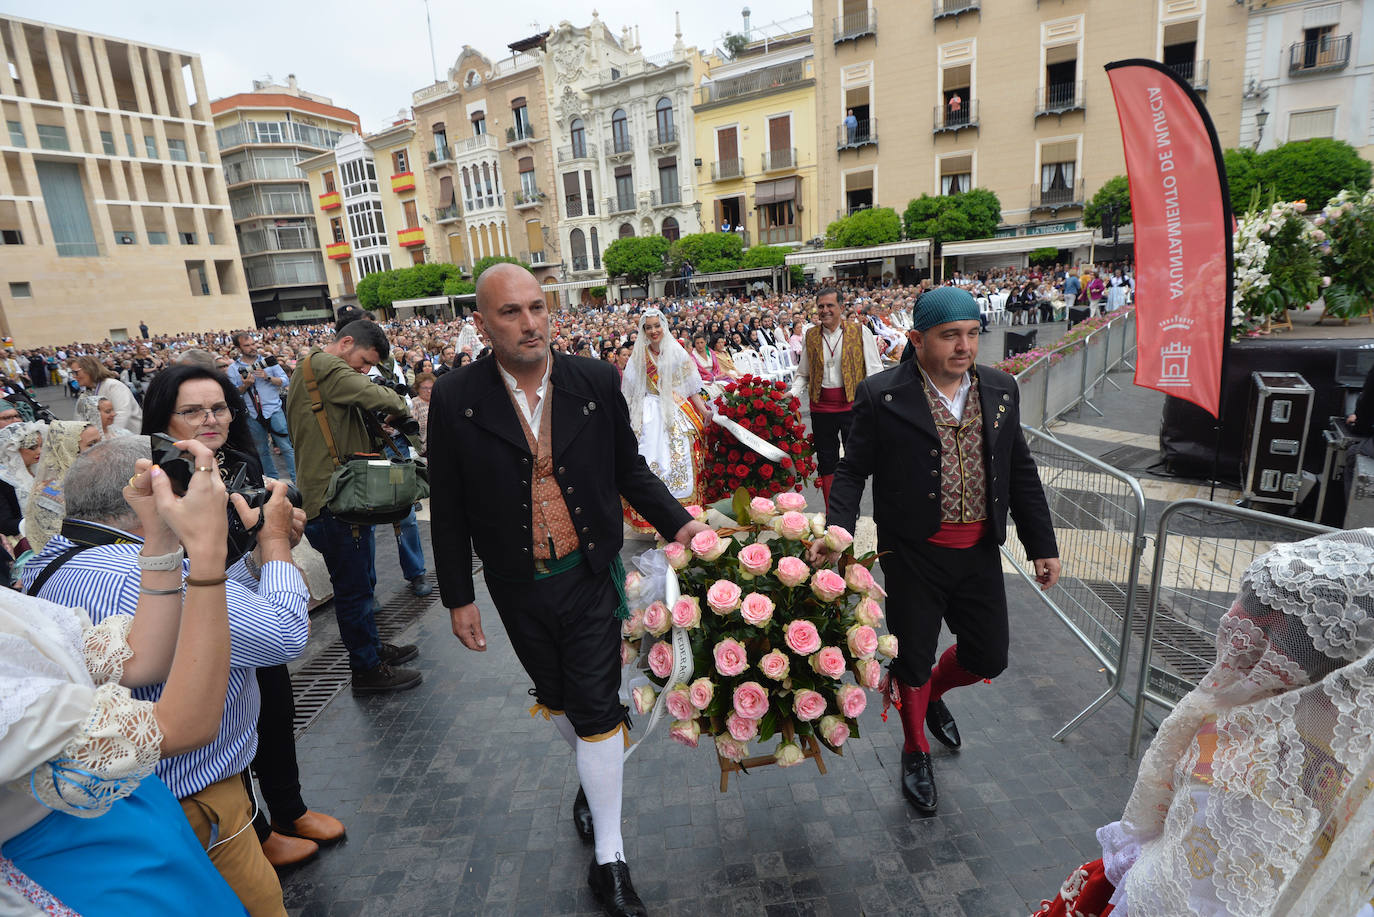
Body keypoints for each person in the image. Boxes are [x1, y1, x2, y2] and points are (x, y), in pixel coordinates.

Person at [427, 263, 710, 917]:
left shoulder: (592, 380)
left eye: (537, 307)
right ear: (481, 323)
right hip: (515, 583)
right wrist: (455, 596)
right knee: (557, 698)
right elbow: (448, 503)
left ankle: (611, 858)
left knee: (591, 698)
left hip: (588, 574)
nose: (530, 322)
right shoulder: (455, 397)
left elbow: (627, 469)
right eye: (510, 312)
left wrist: (683, 523)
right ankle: (594, 769)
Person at [23, 437, 306, 916]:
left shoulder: (59, 554)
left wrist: (237, 556)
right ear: (154, 495)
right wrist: (273, 543)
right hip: (196, 800)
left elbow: (196, 620)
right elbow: (280, 633)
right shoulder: (128, 573)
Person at [1034, 529, 1374, 917]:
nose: (1233, 618)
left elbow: (1199, 892)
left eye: (1262, 618)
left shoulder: (1248, 763)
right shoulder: (1320, 733)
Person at [817, 286, 1060, 816]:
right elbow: (853, 468)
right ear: (917, 339)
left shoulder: (999, 389)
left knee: (988, 655)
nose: (964, 346)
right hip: (913, 554)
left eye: (972, 334)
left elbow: (1019, 468)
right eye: (950, 335)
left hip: (978, 552)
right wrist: (839, 532)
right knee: (911, 659)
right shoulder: (882, 394)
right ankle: (915, 749)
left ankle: (934, 698)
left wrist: (1041, 543)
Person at [140, 364, 345, 868]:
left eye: (219, 407)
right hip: (193, 609)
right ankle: (252, 831)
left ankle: (288, 809)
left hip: (249, 601)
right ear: (164, 420)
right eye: (192, 411)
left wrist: (278, 537)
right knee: (221, 726)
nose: (210, 419)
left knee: (274, 709)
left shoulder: (238, 462)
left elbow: (255, 536)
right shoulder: (158, 475)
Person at [284, 320, 422, 694]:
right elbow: (384, 399)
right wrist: (396, 403)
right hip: (335, 502)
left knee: (362, 584)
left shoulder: (310, 368)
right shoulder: (328, 366)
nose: (362, 371)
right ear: (345, 342)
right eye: (363, 362)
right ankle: (366, 670)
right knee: (354, 591)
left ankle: (372, 650)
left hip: (334, 498)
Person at [790, 287, 883, 510]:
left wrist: (877, 405)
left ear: (841, 307)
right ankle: (833, 509)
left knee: (854, 460)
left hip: (852, 406)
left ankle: (851, 506)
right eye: (821, 306)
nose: (825, 310)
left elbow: (874, 370)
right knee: (826, 462)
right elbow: (803, 373)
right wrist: (792, 393)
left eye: (830, 305)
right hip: (821, 408)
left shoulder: (860, 332)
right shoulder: (810, 336)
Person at [621, 309, 711, 534]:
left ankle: (687, 514)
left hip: (676, 407)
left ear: (664, 326)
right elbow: (630, 393)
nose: (653, 331)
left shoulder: (676, 351)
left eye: (656, 326)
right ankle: (656, 515)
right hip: (650, 411)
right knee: (649, 455)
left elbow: (691, 386)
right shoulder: (638, 356)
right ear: (643, 331)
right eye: (648, 327)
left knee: (685, 452)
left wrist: (703, 410)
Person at [21, 419, 99, 554]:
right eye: (92, 444)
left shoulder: (98, 477)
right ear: (69, 450)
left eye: (100, 442)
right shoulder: (49, 493)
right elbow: (52, 542)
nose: (101, 448)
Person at [229, 332, 296, 482]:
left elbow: (285, 381)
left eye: (253, 344)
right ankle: (273, 483)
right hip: (252, 414)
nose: (252, 348)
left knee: (286, 447)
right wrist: (245, 386)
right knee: (262, 451)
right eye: (247, 345)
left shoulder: (269, 362)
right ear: (238, 348)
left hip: (274, 410)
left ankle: (298, 482)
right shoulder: (233, 369)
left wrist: (268, 377)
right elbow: (232, 394)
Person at [70, 355, 141, 433]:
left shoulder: (113, 386)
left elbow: (122, 415)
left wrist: (106, 439)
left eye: (76, 372)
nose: (74, 377)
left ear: (89, 369)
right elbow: (79, 418)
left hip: (127, 436)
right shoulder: (86, 392)